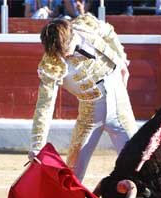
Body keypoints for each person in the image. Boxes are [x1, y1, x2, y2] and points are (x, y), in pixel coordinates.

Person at [29, 14, 138, 181]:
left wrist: (121, 59)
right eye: (58, 53)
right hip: (90, 114)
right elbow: (45, 106)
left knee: (139, 163)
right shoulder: (50, 63)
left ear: (73, 35)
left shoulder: (86, 25)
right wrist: (37, 147)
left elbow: (109, 32)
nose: (63, 57)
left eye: (65, 51)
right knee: (72, 174)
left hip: (120, 103)